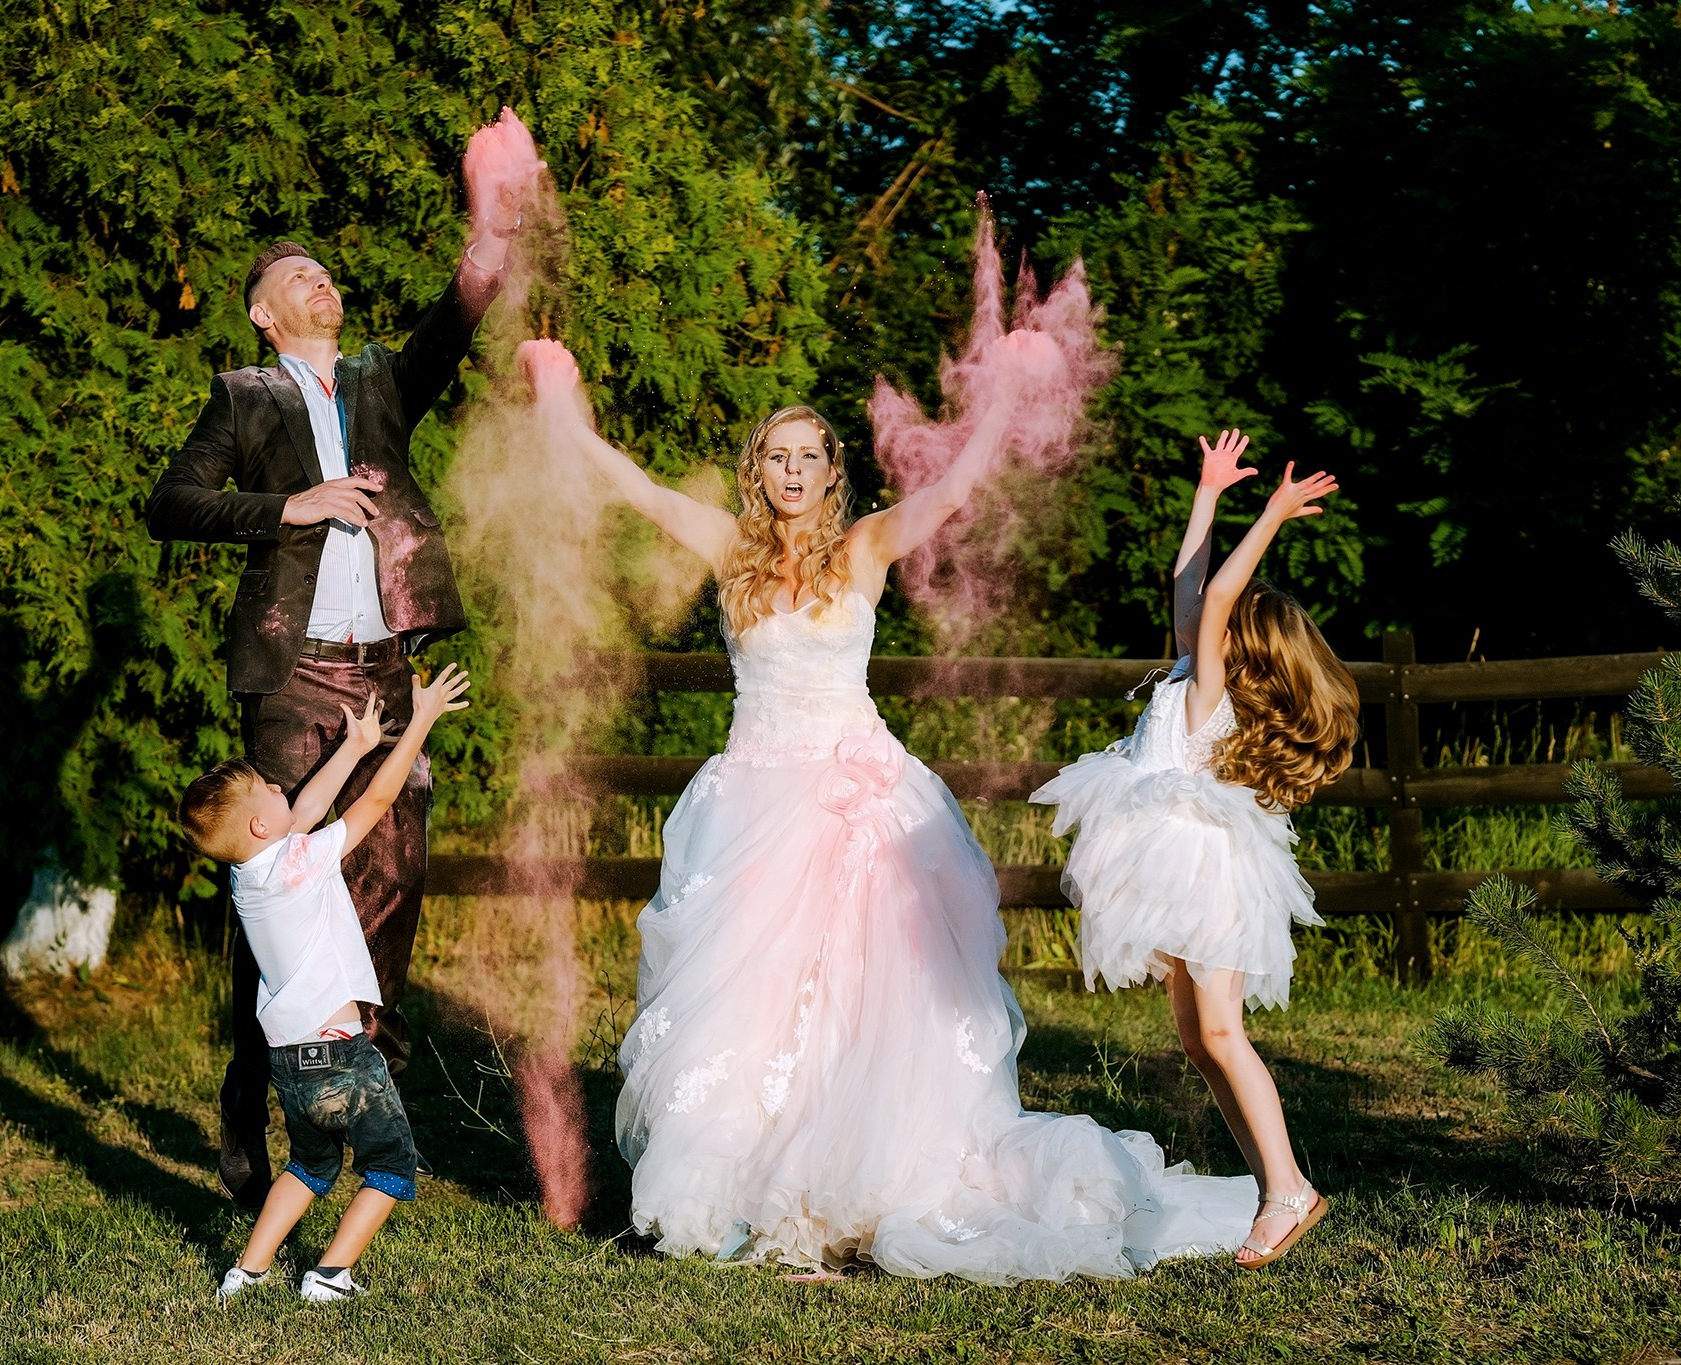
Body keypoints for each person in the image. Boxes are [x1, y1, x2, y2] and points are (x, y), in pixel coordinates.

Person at [520, 337, 1259, 1284]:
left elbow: (950, 494)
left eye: (809, 456)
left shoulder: (863, 546)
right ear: (758, 471)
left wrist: (1005, 394)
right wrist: (565, 406)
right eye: (777, 456)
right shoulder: (732, 550)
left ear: (832, 472)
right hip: (752, 810)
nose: (793, 472)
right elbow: (641, 492)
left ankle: (855, 1184)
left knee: (863, 1004)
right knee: (751, 1006)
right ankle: (744, 1188)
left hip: (859, 805)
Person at [145, 111, 543, 1208]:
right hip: (293, 677)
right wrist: (292, 504)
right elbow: (170, 504)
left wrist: (488, 242)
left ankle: (369, 1097)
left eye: (324, 273)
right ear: (265, 315)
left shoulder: (377, 382)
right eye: (299, 278)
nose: (321, 282)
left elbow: (447, 331)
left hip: (385, 670)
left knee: (391, 886)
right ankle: (251, 1089)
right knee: (282, 883)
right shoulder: (243, 397)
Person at [1031, 429, 1360, 1268]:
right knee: (1199, 1038)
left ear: (1239, 642)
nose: (1205, 619)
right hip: (1180, 875)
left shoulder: (1212, 689)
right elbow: (1192, 587)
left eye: (1222, 621)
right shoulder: (1191, 669)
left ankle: (1289, 1190)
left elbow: (1214, 596)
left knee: (1221, 1031)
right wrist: (1208, 492)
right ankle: (1277, 1188)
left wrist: (1274, 512)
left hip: (1207, 880)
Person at [180, 665, 472, 1306]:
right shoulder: (298, 863)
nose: (279, 787)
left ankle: (247, 1272)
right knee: (391, 1165)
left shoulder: (251, 876)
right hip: (340, 1052)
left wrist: (355, 746)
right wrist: (419, 722)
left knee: (310, 1165)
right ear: (260, 827)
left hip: (289, 1058)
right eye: (267, 789)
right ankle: (330, 1272)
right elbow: (373, 805)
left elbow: (307, 810)